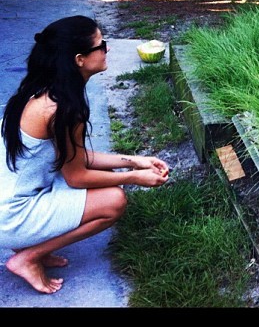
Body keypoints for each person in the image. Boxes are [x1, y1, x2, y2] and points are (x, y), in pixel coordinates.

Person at [0, 15, 170, 294]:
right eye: (101, 44)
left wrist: (134, 161)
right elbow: (77, 176)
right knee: (114, 199)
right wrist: (135, 177)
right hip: (11, 215)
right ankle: (28, 257)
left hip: (9, 199)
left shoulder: (41, 91)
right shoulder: (63, 108)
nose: (107, 49)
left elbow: (75, 157)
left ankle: (34, 248)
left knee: (109, 178)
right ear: (80, 59)